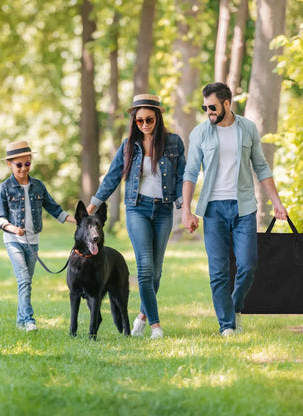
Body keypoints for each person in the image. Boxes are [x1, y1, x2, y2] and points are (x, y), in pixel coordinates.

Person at [182, 82, 288, 337]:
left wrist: (276, 201)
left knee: (248, 264)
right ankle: (227, 325)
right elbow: (191, 172)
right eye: (205, 107)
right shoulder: (200, 133)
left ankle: (234, 307)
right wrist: (186, 210)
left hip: (244, 208)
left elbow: (261, 167)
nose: (208, 111)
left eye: (212, 106)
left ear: (227, 104)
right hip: (213, 210)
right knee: (218, 270)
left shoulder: (248, 129)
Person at [87, 94, 185, 339]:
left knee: (157, 272)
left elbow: (183, 175)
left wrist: (185, 207)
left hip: (163, 210)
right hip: (137, 208)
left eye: (149, 120)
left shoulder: (173, 143)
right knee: (143, 269)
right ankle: (156, 326)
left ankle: (142, 316)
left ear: (158, 117)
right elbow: (112, 177)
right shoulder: (129, 145)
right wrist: (94, 203)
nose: (144, 125)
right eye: (139, 121)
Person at [0, 141, 76, 332]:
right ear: (9, 164)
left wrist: (78, 220)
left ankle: (21, 322)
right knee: (23, 279)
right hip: (13, 241)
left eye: (27, 164)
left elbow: (55, 209)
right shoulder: (5, 188)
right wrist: (13, 229)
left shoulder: (38, 186)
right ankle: (29, 320)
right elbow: (0, 219)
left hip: (33, 241)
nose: (24, 168)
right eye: (19, 164)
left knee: (26, 282)